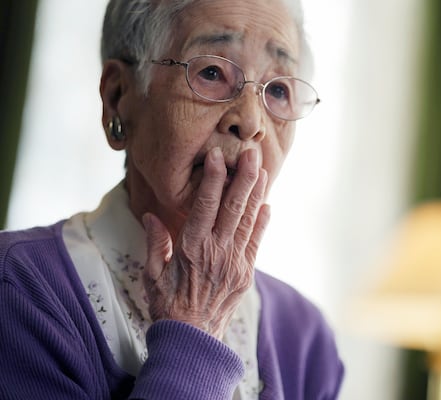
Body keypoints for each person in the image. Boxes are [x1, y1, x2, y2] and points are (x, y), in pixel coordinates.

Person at [0, 0, 344, 398]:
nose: (250, 123)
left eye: (279, 90)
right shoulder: (19, 289)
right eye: (212, 72)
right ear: (118, 97)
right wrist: (194, 325)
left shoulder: (305, 337)